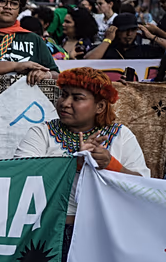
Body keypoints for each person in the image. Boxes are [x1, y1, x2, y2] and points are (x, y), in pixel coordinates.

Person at [15, 67, 148, 244]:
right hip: (51, 232)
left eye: (77, 98)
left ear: (100, 106)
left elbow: (143, 188)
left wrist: (110, 164)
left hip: (108, 233)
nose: (65, 103)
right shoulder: (42, 132)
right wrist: (74, 165)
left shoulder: (121, 135)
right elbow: (20, 179)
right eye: (63, 95)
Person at [84, 13, 164, 60]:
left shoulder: (144, 50)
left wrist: (152, 37)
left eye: (133, 30)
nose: (129, 34)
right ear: (116, 31)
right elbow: (88, 60)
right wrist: (108, 40)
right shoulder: (104, 50)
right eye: (125, 30)